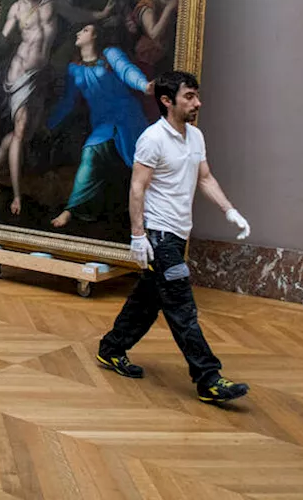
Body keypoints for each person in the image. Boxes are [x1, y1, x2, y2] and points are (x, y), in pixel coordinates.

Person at [96, 71, 252, 404]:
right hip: (160, 236)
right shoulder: (152, 139)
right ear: (168, 101)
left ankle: (111, 348)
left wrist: (229, 210)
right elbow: (137, 188)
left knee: (147, 302)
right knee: (182, 308)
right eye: (190, 97)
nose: (198, 103)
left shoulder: (195, 137)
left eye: (196, 96)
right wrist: (139, 236)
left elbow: (205, 178)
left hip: (179, 235)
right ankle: (208, 379)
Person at [0, 0, 116, 215]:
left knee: (26, 130)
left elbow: (75, 14)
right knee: (22, 129)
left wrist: (101, 14)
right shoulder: (16, 9)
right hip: (20, 74)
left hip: (40, 74)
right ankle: (17, 196)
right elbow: (1, 44)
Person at [46, 24, 152, 228]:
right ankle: (71, 209)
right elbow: (68, 102)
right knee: (91, 153)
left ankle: (149, 214)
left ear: (96, 35)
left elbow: (126, 71)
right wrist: (49, 124)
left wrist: (144, 85)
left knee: (140, 163)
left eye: (85, 30)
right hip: (103, 121)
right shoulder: (73, 68)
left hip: (127, 115)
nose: (78, 33)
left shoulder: (110, 54)